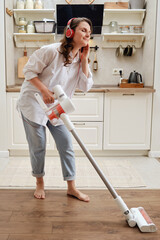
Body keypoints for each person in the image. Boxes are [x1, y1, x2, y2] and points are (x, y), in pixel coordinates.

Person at [17, 17, 93, 201]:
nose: (87, 34)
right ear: (70, 32)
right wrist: (43, 90)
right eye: (83, 30)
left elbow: (85, 86)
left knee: (66, 144)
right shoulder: (51, 51)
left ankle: (71, 187)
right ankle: (40, 183)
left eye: (89, 31)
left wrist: (85, 60)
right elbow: (28, 71)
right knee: (38, 147)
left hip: (56, 107)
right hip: (33, 103)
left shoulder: (79, 58)